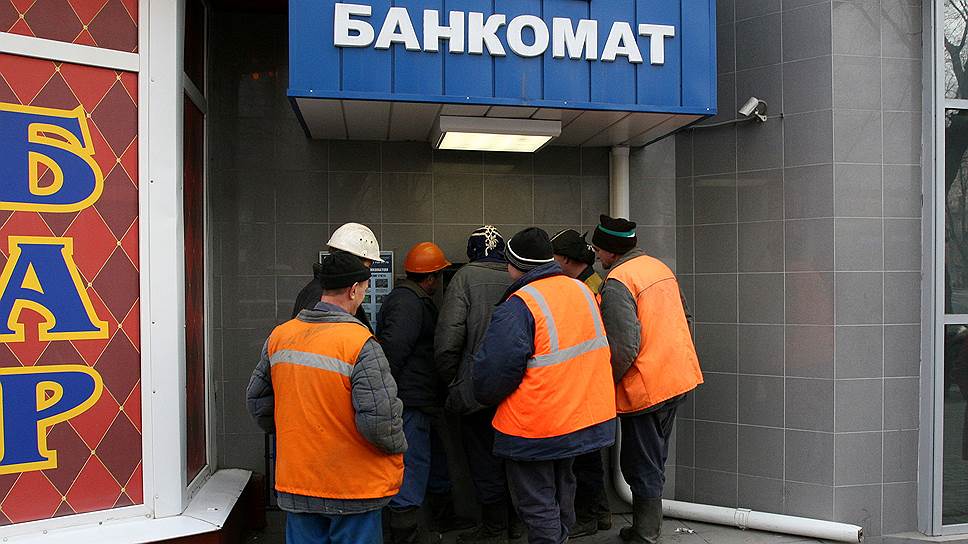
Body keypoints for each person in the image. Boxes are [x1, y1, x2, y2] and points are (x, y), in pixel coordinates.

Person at [246, 251, 407, 544]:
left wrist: (296, 433)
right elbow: (380, 422)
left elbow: (258, 402)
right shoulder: (360, 343)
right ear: (354, 290)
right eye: (364, 288)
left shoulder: (280, 336)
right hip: (353, 488)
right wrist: (398, 447)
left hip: (299, 483)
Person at [472, 228, 617, 544]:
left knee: (537, 504)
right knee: (563, 493)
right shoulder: (582, 291)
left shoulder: (520, 304)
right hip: (580, 417)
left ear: (516, 265)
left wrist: (479, 393)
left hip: (536, 426)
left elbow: (494, 373)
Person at [591, 215, 703, 544]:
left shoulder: (618, 280)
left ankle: (646, 534)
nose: (596, 256)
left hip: (646, 387)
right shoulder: (659, 268)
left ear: (611, 250)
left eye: (598, 250)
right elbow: (686, 319)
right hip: (676, 377)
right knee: (654, 458)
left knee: (641, 463)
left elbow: (623, 346)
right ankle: (645, 528)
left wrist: (605, 383)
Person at [434, 226, 520, 543]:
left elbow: (447, 341)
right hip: (519, 389)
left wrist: (454, 381)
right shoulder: (518, 278)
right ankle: (516, 524)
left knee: (484, 459)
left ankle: (494, 527)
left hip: (476, 390)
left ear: (472, 253)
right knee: (515, 459)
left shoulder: (464, 278)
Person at [377, 242, 467, 543]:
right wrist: (388, 395)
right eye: (439, 276)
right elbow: (393, 352)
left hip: (420, 398)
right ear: (430, 278)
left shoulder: (410, 300)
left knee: (429, 460)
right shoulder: (408, 303)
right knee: (412, 464)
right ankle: (406, 532)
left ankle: (438, 517)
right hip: (410, 400)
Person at [549, 229, 609, 537]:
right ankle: (600, 512)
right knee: (588, 455)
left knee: (585, 458)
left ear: (566, 259)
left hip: (585, 382)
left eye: (554, 257)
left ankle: (589, 515)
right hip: (590, 381)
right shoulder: (591, 283)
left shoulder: (588, 289)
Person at [292, 222, 383, 329]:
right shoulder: (322, 297)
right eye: (367, 267)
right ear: (352, 262)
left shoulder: (319, 290)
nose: (366, 277)